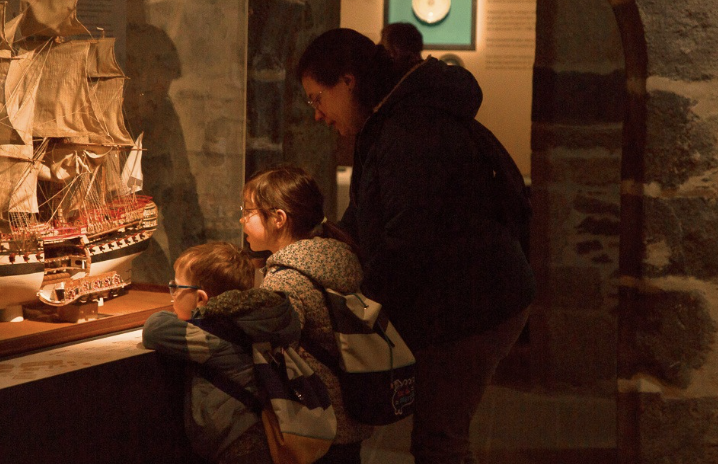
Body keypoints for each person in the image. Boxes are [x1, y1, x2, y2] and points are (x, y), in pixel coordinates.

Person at [297, 28, 535, 464]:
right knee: (437, 437)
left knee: (440, 441)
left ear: (348, 81)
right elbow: (378, 210)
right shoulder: (395, 118)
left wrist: (358, 307)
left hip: (474, 306)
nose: (317, 114)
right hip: (464, 296)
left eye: (317, 98)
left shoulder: (411, 128)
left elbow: (408, 239)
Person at [242, 165, 373, 463]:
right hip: (349, 417)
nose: (241, 219)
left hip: (315, 426)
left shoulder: (286, 278)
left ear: (278, 218)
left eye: (248, 211)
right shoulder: (337, 257)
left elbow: (271, 347)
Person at [142, 241, 297, 464]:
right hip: (258, 433)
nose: (173, 294)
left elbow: (154, 328)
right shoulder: (252, 321)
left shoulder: (211, 337)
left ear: (201, 299)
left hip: (235, 444)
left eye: (177, 287)